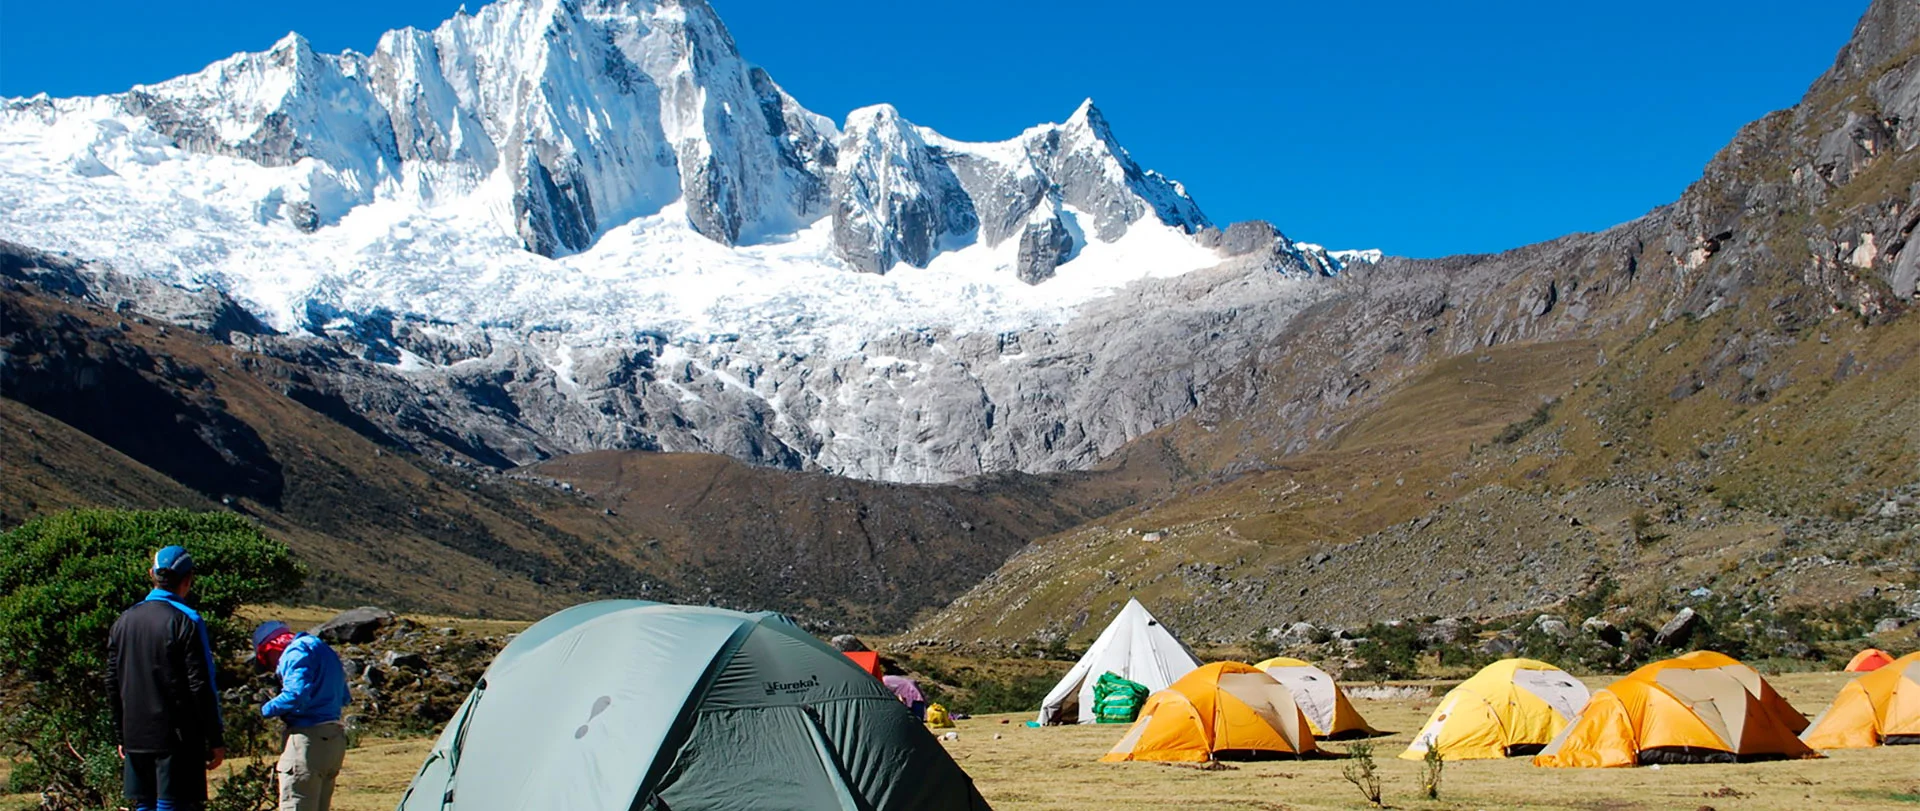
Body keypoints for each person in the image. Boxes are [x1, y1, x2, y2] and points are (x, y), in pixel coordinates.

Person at [107, 545, 226, 811]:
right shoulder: (187, 620)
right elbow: (201, 683)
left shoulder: (124, 620)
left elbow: (112, 682)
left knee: (144, 804)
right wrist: (214, 737)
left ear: (152, 574)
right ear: (188, 580)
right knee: (172, 804)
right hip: (177, 736)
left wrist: (121, 733)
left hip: (136, 733)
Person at [252, 619, 351, 811]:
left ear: (271, 648)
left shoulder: (294, 652)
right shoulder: (323, 649)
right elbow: (345, 697)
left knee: (296, 804)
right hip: (334, 740)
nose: (273, 668)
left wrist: (265, 709)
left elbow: (295, 695)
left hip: (306, 742)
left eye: (267, 660)